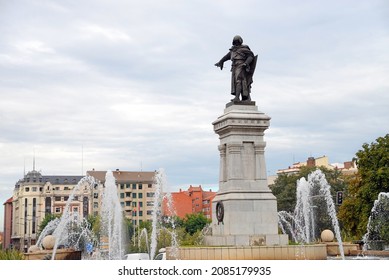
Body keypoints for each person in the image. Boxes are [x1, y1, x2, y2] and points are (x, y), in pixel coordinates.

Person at [215, 35, 256, 102]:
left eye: (237, 42)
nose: (236, 43)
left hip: (241, 65)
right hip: (234, 66)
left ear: (240, 41)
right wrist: (220, 62)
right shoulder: (233, 50)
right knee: (237, 82)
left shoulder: (244, 49)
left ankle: (237, 98)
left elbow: (251, 56)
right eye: (235, 42)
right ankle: (243, 97)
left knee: (238, 80)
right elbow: (226, 57)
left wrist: (246, 63)